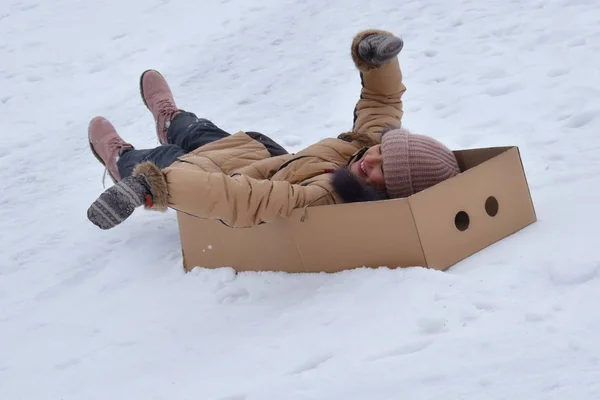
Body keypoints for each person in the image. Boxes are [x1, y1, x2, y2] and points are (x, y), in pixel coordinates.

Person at [87, 29, 460, 230]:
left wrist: (151, 186)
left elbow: (246, 201)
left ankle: (120, 161)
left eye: (383, 171)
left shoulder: (322, 199)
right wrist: (377, 59)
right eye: (382, 152)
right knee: (196, 128)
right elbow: (382, 104)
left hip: (216, 178)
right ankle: (170, 119)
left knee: (164, 160)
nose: (372, 159)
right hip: (252, 153)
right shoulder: (365, 148)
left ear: (392, 193)